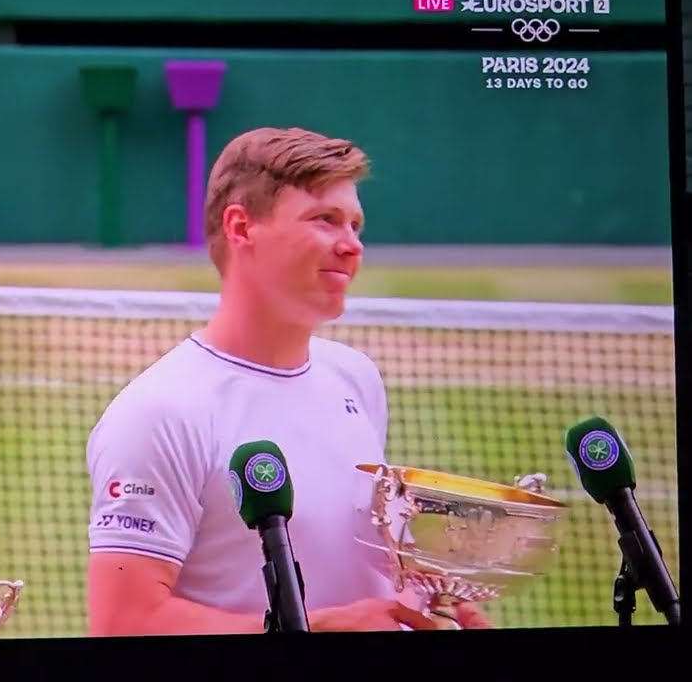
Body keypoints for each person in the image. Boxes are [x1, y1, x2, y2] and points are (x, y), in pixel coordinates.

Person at [84, 127, 491, 635]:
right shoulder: (160, 413)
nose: (352, 246)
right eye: (326, 220)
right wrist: (320, 630)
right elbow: (124, 624)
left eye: (356, 225)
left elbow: (352, 571)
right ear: (241, 227)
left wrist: (424, 606)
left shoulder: (355, 379)